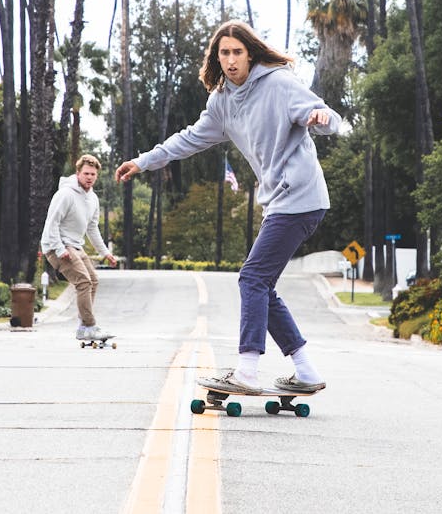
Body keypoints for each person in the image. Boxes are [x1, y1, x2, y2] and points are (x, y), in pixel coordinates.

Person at [115, 20, 341, 394]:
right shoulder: (221, 102)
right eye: (224, 53)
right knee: (262, 285)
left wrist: (321, 118)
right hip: (279, 202)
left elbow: (322, 115)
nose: (232, 60)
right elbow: (188, 139)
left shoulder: (281, 84)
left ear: (250, 54)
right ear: (217, 58)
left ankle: (248, 370)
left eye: (237, 52)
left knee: (252, 278)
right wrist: (144, 161)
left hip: (300, 196)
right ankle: (306, 370)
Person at [41, 154, 117, 341]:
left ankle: (84, 326)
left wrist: (105, 253)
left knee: (93, 280)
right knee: (83, 282)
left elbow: (92, 228)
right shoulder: (65, 194)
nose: (89, 177)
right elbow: (52, 224)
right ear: (78, 173)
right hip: (56, 246)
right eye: (86, 174)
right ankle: (89, 326)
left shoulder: (93, 199)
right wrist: (59, 249)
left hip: (75, 246)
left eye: (93, 174)